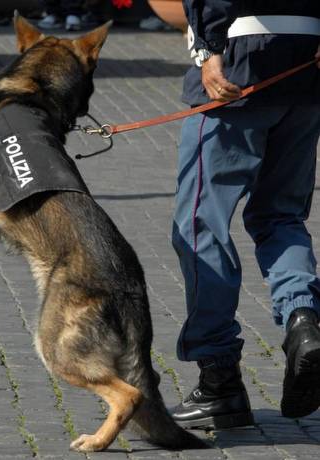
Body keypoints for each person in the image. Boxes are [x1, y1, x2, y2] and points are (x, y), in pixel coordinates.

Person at [169, 1, 320, 429]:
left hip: (239, 56)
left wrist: (209, 48)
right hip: (306, 62)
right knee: (280, 215)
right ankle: (303, 320)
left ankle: (219, 377)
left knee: (200, 225)